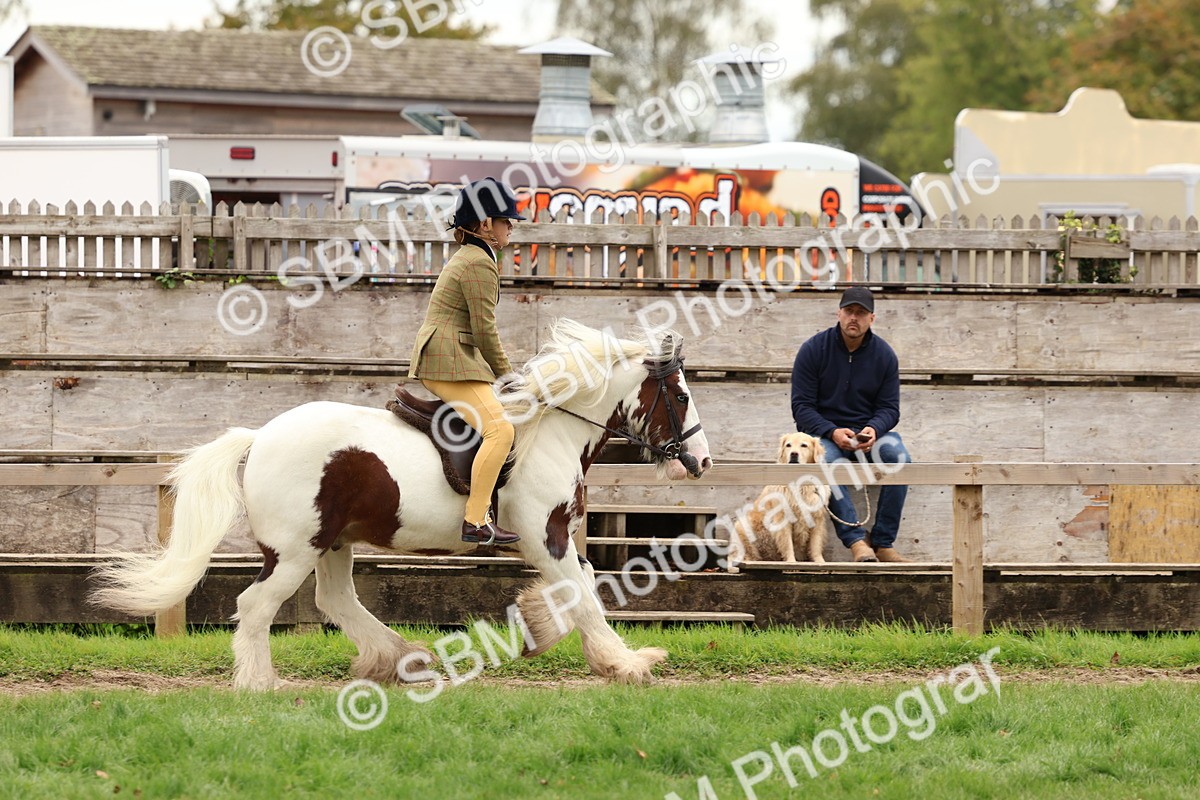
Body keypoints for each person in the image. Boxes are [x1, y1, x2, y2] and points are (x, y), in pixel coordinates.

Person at [409, 178, 524, 546]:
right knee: (501, 430)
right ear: (486, 224)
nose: (511, 226)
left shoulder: (475, 257)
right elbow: (485, 330)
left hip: (454, 357)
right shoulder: (478, 262)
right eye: (507, 220)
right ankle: (476, 520)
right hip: (449, 359)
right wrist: (509, 374)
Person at [790, 287, 912, 562]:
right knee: (826, 462)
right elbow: (801, 407)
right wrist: (831, 431)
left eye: (860, 313)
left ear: (872, 318)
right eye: (849, 312)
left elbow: (890, 408)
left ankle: (883, 542)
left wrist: (874, 429)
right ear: (839, 313)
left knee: (901, 458)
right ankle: (856, 541)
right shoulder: (813, 350)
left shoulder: (884, 355)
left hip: (868, 435)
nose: (853, 318)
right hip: (824, 434)